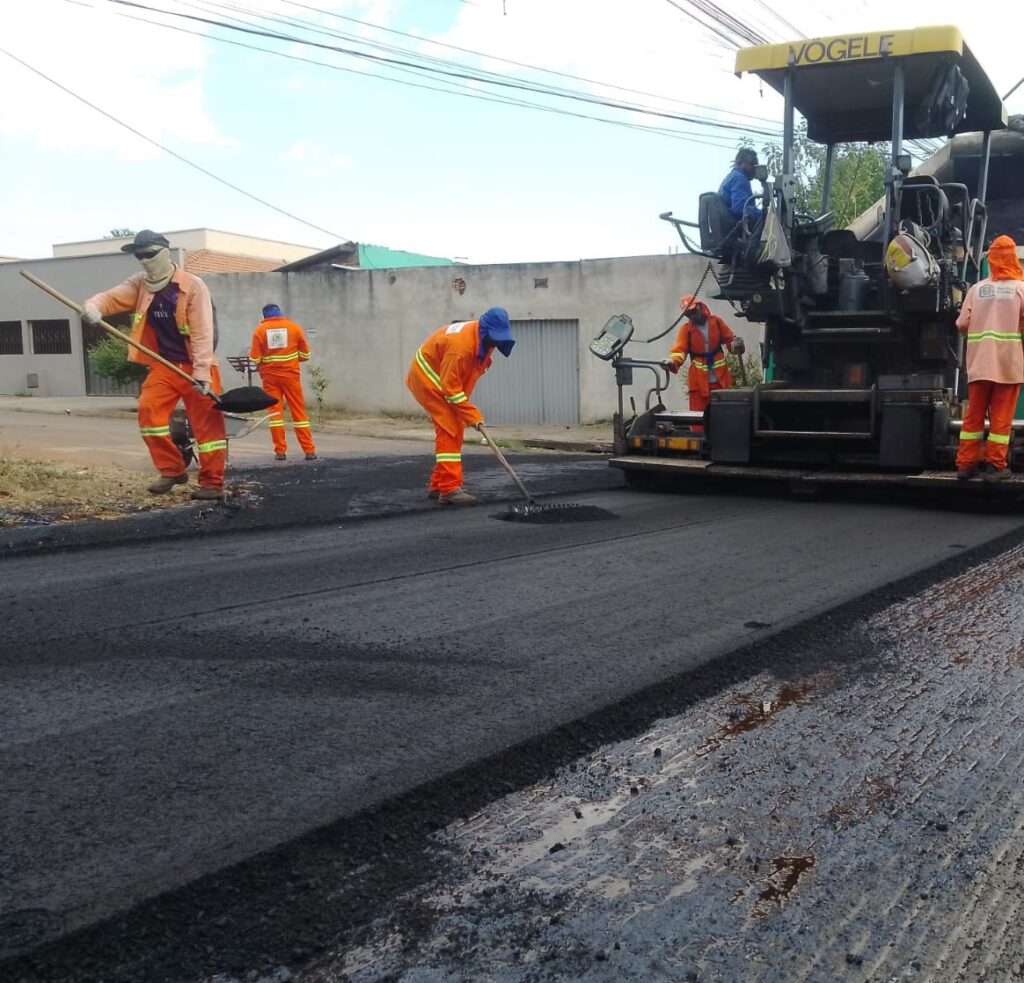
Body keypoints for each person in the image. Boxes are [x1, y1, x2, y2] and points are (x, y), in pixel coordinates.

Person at [82, 230, 227, 500]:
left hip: (197, 366)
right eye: (139, 256)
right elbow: (111, 297)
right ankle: (172, 469)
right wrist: (94, 307)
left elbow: (203, 332)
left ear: (164, 252)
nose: (144, 260)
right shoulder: (140, 284)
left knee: (209, 429)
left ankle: (212, 484)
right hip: (164, 365)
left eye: (149, 254)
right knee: (149, 414)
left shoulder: (192, 285)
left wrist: (202, 373)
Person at [405, 308, 515, 506]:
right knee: (450, 428)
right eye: (494, 338)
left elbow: (464, 381)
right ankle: (449, 490)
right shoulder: (461, 347)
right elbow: (450, 387)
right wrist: (471, 414)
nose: (496, 343)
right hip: (427, 377)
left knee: (455, 424)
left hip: (442, 377)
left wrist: (465, 412)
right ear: (485, 330)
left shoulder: (483, 340)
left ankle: (439, 485)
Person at [955, 235, 1024, 482]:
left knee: (973, 415)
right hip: (1008, 365)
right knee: (1001, 417)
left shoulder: (976, 289)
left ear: (991, 259)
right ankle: (996, 466)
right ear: (1013, 259)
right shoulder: (1020, 288)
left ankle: (965, 465)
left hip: (979, 364)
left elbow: (962, 324)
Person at [249, 303, 316, 461]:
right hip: (291, 377)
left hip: (270, 378)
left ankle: (280, 452)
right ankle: (309, 451)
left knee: (275, 414)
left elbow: (255, 359)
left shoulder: (259, 331)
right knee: (298, 412)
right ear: (280, 313)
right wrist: (291, 360)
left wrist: (265, 364)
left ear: (265, 316)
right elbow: (306, 355)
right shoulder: (294, 328)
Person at [665, 295, 745, 425]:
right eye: (689, 313)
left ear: (700, 307)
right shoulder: (686, 330)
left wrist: (738, 345)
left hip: (720, 380)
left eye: (693, 311)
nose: (693, 315)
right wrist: (672, 362)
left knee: (725, 417)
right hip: (698, 382)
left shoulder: (717, 322)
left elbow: (731, 343)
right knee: (698, 419)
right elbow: (679, 350)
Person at [719, 148, 762, 221]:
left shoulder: (730, 177)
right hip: (736, 229)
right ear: (741, 163)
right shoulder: (740, 178)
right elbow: (740, 209)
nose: (755, 169)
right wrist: (764, 213)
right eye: (753, 164)